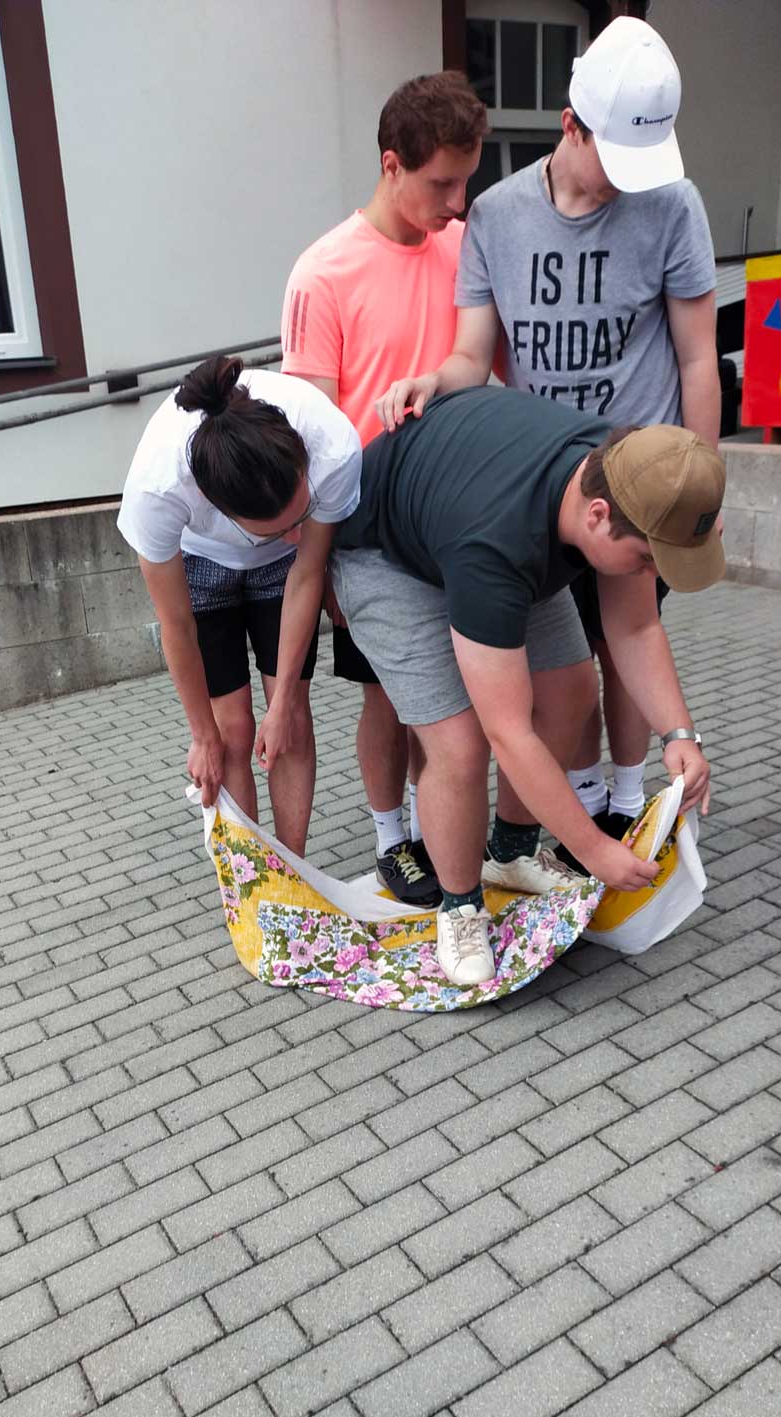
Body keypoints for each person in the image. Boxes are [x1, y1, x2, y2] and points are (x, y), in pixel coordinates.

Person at [376, 15, 720, 845]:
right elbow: (472, 355)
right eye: (617, 157)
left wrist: (699, 488)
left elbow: (698, 356)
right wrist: (433, 381)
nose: (630, 180)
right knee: (559, 668)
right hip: (548, 487)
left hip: (641, 481)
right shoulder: (495, 216)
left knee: (628, 633)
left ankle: (631, 797)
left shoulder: (673, 204)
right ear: (572, 125)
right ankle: (577, 803)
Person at [332, 384, 724, 985]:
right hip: (388, 554)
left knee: (571, 692)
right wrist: (593, 848)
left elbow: (637, 626)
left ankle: (510, 854)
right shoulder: (495, 542)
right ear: (598, 517)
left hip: (477, 522)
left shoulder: (629, 476)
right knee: (460, 743)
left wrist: (680, 735)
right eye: (647, 560)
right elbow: (508, 733)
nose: (650, 573)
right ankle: (460, 906)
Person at [278, 71, 488, 906]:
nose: (456, 202)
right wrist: (321, 563)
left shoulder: (463, 247)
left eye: (466, 182)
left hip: (460, 520)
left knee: (458, 699)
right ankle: (390, 840)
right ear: (392, 164)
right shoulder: (322, 274)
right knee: (387, 699)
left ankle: (453, 833)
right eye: (442, 183)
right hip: (370, 538)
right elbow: (310, 437)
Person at [117, 355, 361, 855]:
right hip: (200, 563)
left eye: (302, 515)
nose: (295, 532)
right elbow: (176, 625)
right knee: (230, 732)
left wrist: (284, 700)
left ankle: (291, 872)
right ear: (219, 508)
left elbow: (306, 570)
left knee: (290, 721)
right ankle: (251, 878)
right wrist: (200, 735)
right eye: (278, 528)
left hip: (285, 571)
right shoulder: (158, 486)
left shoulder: (330, 443)